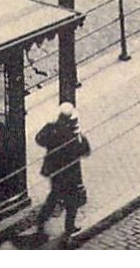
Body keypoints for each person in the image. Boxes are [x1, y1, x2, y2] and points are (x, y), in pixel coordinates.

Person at [32, 103, 92, 246]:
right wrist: (80, 136)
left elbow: (39, 139)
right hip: (70, 173)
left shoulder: (52, 129)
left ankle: (42, 220)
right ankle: (68, 227)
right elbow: (85, 151)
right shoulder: (73, 136)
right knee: (71, 201)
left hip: (55, 171)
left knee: (55, 196)